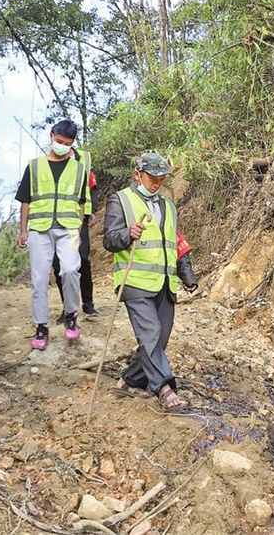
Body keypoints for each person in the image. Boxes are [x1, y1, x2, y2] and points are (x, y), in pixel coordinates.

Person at [102, 152, 198, 411]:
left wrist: (186, 273)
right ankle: (164, 389)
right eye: (151, 177)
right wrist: (126, 234)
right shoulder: (120, 200)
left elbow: (175, 240)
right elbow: (109, 239)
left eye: (161, 178)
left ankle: (128, 380)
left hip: (165, 282)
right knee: (151, 334)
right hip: (135, 281)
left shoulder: (168, 206)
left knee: (159, 339)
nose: (156, 183)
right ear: (137, 175)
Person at [16, 120, 87, 350]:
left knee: (69, 270)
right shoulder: (34, 166)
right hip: (39, 228)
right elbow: (25, 201)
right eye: (58, 141)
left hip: (68, 228)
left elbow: (81, 202)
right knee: (39, 279)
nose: (61, 146)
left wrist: (79, 226)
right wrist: (23, 230)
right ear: (51, 136)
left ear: (73, 143)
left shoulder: (79, 169)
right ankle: (41, 326)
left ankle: (71, 314)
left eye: (66, 144)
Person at [52, 146, 99, 321]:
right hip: (54, 218)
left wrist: (92, 209)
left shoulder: (84, 158)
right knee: (59, 264)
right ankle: (68, 308)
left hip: (79, 216)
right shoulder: (48, 160)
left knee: (82, 258)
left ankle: (88, 304)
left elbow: (92, 185)